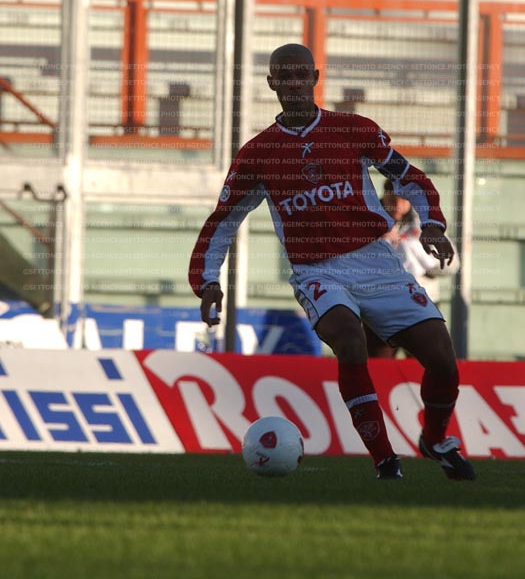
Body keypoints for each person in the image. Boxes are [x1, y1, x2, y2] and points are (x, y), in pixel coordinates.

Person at [189, 43, 475, 481]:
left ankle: (435, 439)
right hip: (317, 270)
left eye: (301, 74)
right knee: (349, 339)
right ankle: (385, 461)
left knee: (442, 359)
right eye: (284, 76)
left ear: (315, 78)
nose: (294, 83)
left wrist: (433, 225)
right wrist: (207, 281)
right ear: (271, 83)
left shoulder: (352, 129)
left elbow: (408, 177)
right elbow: (223, 220)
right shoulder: (258, 153)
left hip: (375, 262)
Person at [365, 180, 460, 358]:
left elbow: (452, 265)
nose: (398, 206)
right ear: (384, 195)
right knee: (379, 364)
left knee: (427, 362)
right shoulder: (367, 221)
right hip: (381, 306)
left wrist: (425, 262)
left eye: (403, 200)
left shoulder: (425, 224)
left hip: (421, 303)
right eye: (393, 200)